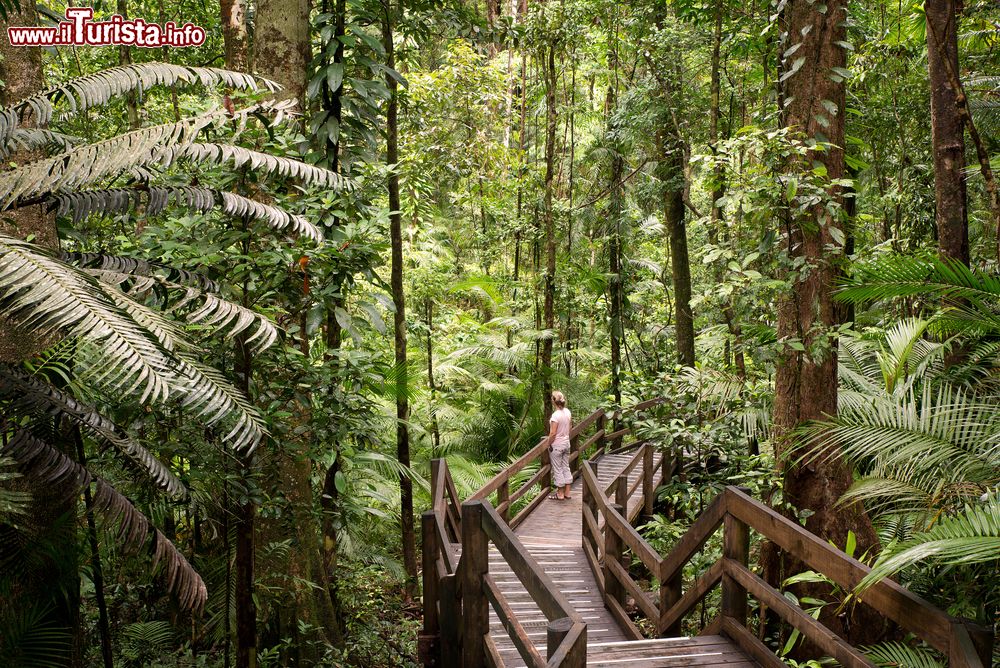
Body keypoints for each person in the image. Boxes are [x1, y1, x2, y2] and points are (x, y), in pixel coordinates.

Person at [543, 391, 573, 500]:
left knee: (557, 468)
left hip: (557, 445)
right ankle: (567, 493)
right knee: (566, 466)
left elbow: (553, 433)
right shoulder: (567, 412)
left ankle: (560, 494)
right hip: (566, 443)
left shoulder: (555, 415)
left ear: (553, 401)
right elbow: (570, 427)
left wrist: (548, 443)